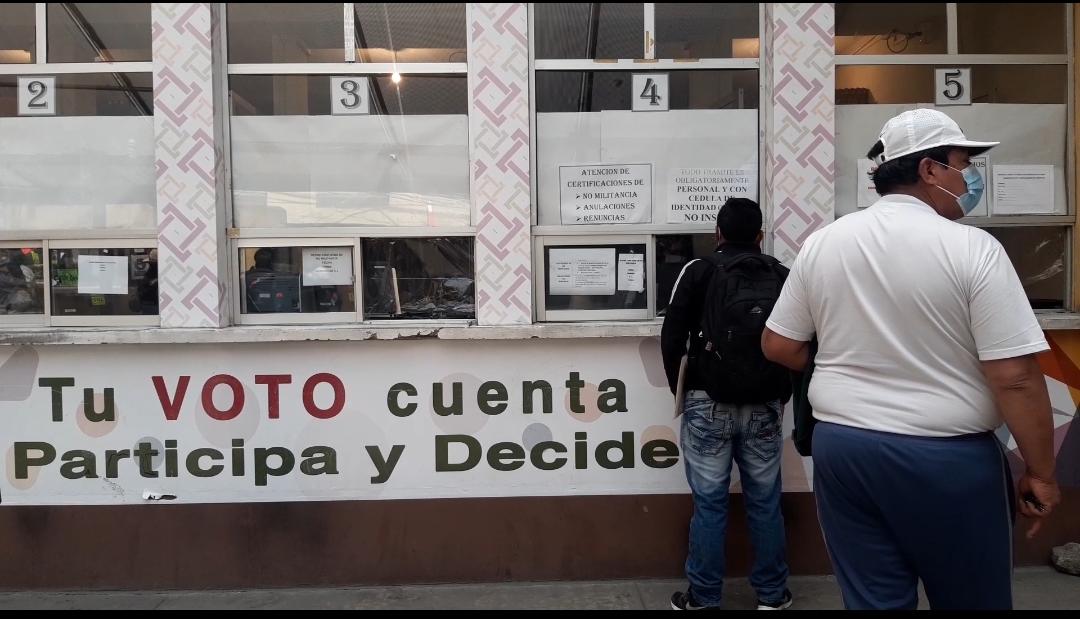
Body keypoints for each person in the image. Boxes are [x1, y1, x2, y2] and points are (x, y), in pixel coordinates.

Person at [762, 109, 1061, 610]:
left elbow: (779, 345)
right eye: (963, 164)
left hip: (844, 452)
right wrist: (1042, 473)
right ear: (928, 170)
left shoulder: (825, 242)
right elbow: (1015, 378)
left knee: (874, 601)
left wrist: (844, 362)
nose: (970, 178)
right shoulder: (974, 250)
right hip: (947, 460)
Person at [662, 198, 793, 611]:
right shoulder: (782, 274)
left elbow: (672, 337)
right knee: (765, 500)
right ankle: (773, 596)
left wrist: (684, 390)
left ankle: (702, 597)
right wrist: (781, 391)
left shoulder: (698, 270)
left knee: (709, 502)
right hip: (765, 404)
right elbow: (799, 339)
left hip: (708, 401)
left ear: (717, 233)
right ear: (760, 235)